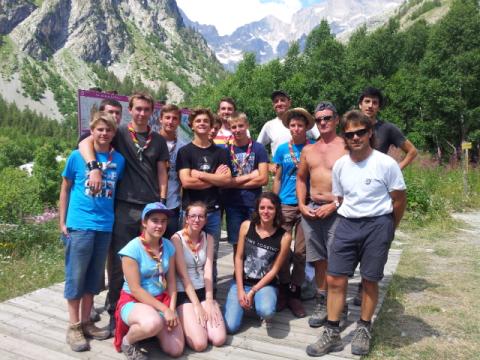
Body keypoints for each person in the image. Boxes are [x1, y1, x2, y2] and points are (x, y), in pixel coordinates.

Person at [306, 110, 407, 357]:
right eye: (349, 134)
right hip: (347, 223)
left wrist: (389, 229)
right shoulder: (341, 165)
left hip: (378, 224)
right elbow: (340, 198)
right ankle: (332, 332)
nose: (355, 137)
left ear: (370, 132)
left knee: (370, 280)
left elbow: (399, 199)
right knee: (335, 278)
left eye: (360, 132)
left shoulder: (386, 164)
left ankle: (363, 327)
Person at [79, 92, 169, 333]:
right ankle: (114, 312)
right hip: (123, 205)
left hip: (149, 208)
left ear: (152, 112)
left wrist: (161, 200)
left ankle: (148, 307)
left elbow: (162, 172)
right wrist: (93, 168)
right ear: (130, 110)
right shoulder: (117, 133)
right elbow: (85, 142)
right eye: (137, 109)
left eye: (146, 110)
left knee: (150, 260)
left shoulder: (158, 140)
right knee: (120, 264)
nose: (141, 113)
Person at [59, 112, 125, 352]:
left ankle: (87, 322)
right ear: (92, 130)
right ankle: (73, 326)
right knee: (75, 277)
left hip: (105, 225)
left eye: (108, 130)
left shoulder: (119, 159)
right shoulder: (77, 156)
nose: (104, 134)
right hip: (80, 224)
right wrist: (62, 222)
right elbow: (65, 189)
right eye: (100, 130)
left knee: (94, 279)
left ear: (114, 134)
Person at [354, 86, 417, 305]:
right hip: (355, 191)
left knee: (374, 240)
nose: (370, 106)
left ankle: (364, 287)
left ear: (379, 107)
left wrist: (396, 169)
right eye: (367, 101)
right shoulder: (353, 126)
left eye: (375, 102)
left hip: (379, 193)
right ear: (360, 104)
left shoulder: (387, 129)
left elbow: (412, 151)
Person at [296, 101, 348, 328]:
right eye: (319, 119)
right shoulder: (309, 149)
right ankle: (321, 300)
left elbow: (353, 181)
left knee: (338, 260)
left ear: (336, 119)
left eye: (327, 118)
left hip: (337, 209)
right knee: (318, 260)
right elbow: (300, 178)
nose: (323, 122)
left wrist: (336, 203)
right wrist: (301, 204)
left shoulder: (346, 145)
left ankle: (340, 304)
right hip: (312, 209)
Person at [114, 202, 184, 359]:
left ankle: (150, 332)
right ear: (144, 223)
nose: (160, 225)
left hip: (161, 299)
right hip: (134, 301)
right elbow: (135, 289)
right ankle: (128, 341)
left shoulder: (167, 246)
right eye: (155, 220)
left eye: (163, 221)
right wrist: (165, 310)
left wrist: (171, 308)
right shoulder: (131, 250)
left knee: (176, 349)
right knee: (153, 323)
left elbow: (171, 281)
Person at [176, 108, 232, 284]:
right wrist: (215, 178)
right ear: (191, 125)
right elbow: (186, 182)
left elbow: (226, 180)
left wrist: (199, 174)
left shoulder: (221, 152)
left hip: (213, 212)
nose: (202, 124)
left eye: (205, 121)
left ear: (211, 126)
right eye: (198, 121)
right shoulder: (185, 152)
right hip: (190, 211)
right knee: (187, 253)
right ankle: (188, 290)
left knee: (211, 255)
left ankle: (210, 292)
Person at [223, 192, 292, 333]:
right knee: (230, 327)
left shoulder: (285, 237)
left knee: (266, 311)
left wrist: (253, 291)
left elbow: (274, 270)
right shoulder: (246, 226)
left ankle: (257, 301)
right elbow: (239, 257)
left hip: (264, 284)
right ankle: (245, 301)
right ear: (257, 209)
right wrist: (241, 290)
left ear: (277, 210)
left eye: (270, 208)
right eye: (262, 207)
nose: (266, 211)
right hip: (242, 281)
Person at [272, 107, 315, 318]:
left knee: (301, 253)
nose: (296, 128)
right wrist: (273, 202)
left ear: (307, 127)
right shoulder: (281, 150)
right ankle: (283, 288)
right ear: (288, 127)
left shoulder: (314, 147)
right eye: (293, 125)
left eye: (300, 125)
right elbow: (278, 178)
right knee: (282, 249)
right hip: (286, 203)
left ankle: (295, 294)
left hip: (307, 203)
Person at [172, 201, 227, 351]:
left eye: (201, 217)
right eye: (193, 216)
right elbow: (183, 276)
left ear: (206, 220)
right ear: (187, 218)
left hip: (203, 290)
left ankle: (196, 321)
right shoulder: (177, 239)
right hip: (184, 292)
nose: (197, 220)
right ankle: (184, 318)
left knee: (219, 338)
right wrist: (197, 305)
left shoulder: (208, 238)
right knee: (200, 344)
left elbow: (208, 270)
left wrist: (209, 300)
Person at [221, 112, 269, 258]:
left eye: (240, 126)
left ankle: (253, 275)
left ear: (247, 126)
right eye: (233, 127)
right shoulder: (225, 151)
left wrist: (234, 183)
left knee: (255, 241)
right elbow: (225, 183)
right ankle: (238, 275)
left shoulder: (258, 148)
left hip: (253, 203)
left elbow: (263, 179)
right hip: (233, 204)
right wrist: (249, 176)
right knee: (237, 243)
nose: (237, 130)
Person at [258, 90, 319, 163]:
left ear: (289, 102)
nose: (279, 103)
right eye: (276, 101)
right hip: (281, 170)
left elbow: (321, 139)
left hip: (306, 167)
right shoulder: (269, 125)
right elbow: (258, 148)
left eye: (282, 100)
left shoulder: (303, 119)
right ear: (273, 105)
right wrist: (267, 164)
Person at [158, 104, 188, 238]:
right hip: (150, 201)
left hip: (173, 205)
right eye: (167, 118)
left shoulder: (183, 147)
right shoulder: (152, 142)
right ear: (160, 119)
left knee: (169, 246)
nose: (170, 121)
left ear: (179, 121)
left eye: (174, 118)